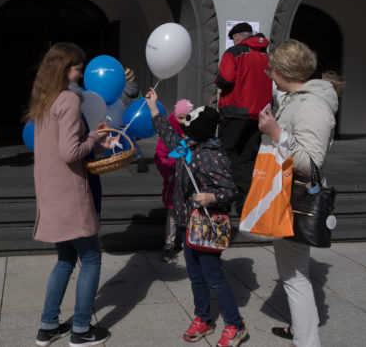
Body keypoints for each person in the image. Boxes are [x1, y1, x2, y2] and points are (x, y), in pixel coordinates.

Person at [25, 42, 116, 347]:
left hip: (51, 192)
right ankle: (81, 329)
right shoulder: (68, 100)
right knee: (91, 258)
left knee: (65, 258)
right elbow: (70, 151)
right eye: (78, 67)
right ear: (65, 69)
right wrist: (95, 136)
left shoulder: (44, 100)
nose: (81, 73)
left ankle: (48, 325)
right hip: (70, 192)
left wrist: (91, 139)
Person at [146, 88, 248, 347]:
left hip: (206, 225)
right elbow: (168, 137)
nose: (182, 129)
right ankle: (203, 317)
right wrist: (154, 108)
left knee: (214, 276)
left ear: (199, 131)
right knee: (195, 275)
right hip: (187, 223)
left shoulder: (212, 155)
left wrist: (211, 198)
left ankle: (235, 324)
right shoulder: (187, 147)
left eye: (187, 125)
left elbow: (230, 190)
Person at [258, 39, 343, 347]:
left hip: (295, 199)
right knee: (294, 273)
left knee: (294, 277)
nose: (269, 75)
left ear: (283, 71)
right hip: (285, 195)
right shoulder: (299, 97)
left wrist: (275, 132)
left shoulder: (313, 105)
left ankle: (308, 341)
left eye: (271, 69)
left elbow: (309, 163)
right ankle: (300, 331)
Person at [215, 22, 272, 211]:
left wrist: (217, 78)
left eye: (233, 39)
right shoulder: (266, 55)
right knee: (247, 156)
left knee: (225, 152)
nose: (233, 42)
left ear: (238, 37)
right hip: (260, 113)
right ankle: (247, 203)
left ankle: (246, 189)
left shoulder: (234, 52)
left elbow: (225, 79)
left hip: (236, 109)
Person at [154, 98, 193, 262]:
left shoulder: (192, 134)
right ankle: (169, 245)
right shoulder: (168, 134)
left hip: (189, 183)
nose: (182, 121)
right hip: (173, 180)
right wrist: (168, 172)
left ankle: (190, 244)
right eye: (180, 117)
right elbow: (160, 156)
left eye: (186, 118)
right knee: (172, 216)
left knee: (190, 215)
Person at [120, 67, 148, 173]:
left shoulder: (121, 90)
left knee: (123, 138)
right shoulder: (137, 89)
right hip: (135, 118)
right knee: (130, 138)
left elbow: (120, 104)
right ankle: (137, 156)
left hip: (123, 118)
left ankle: (137, 156)